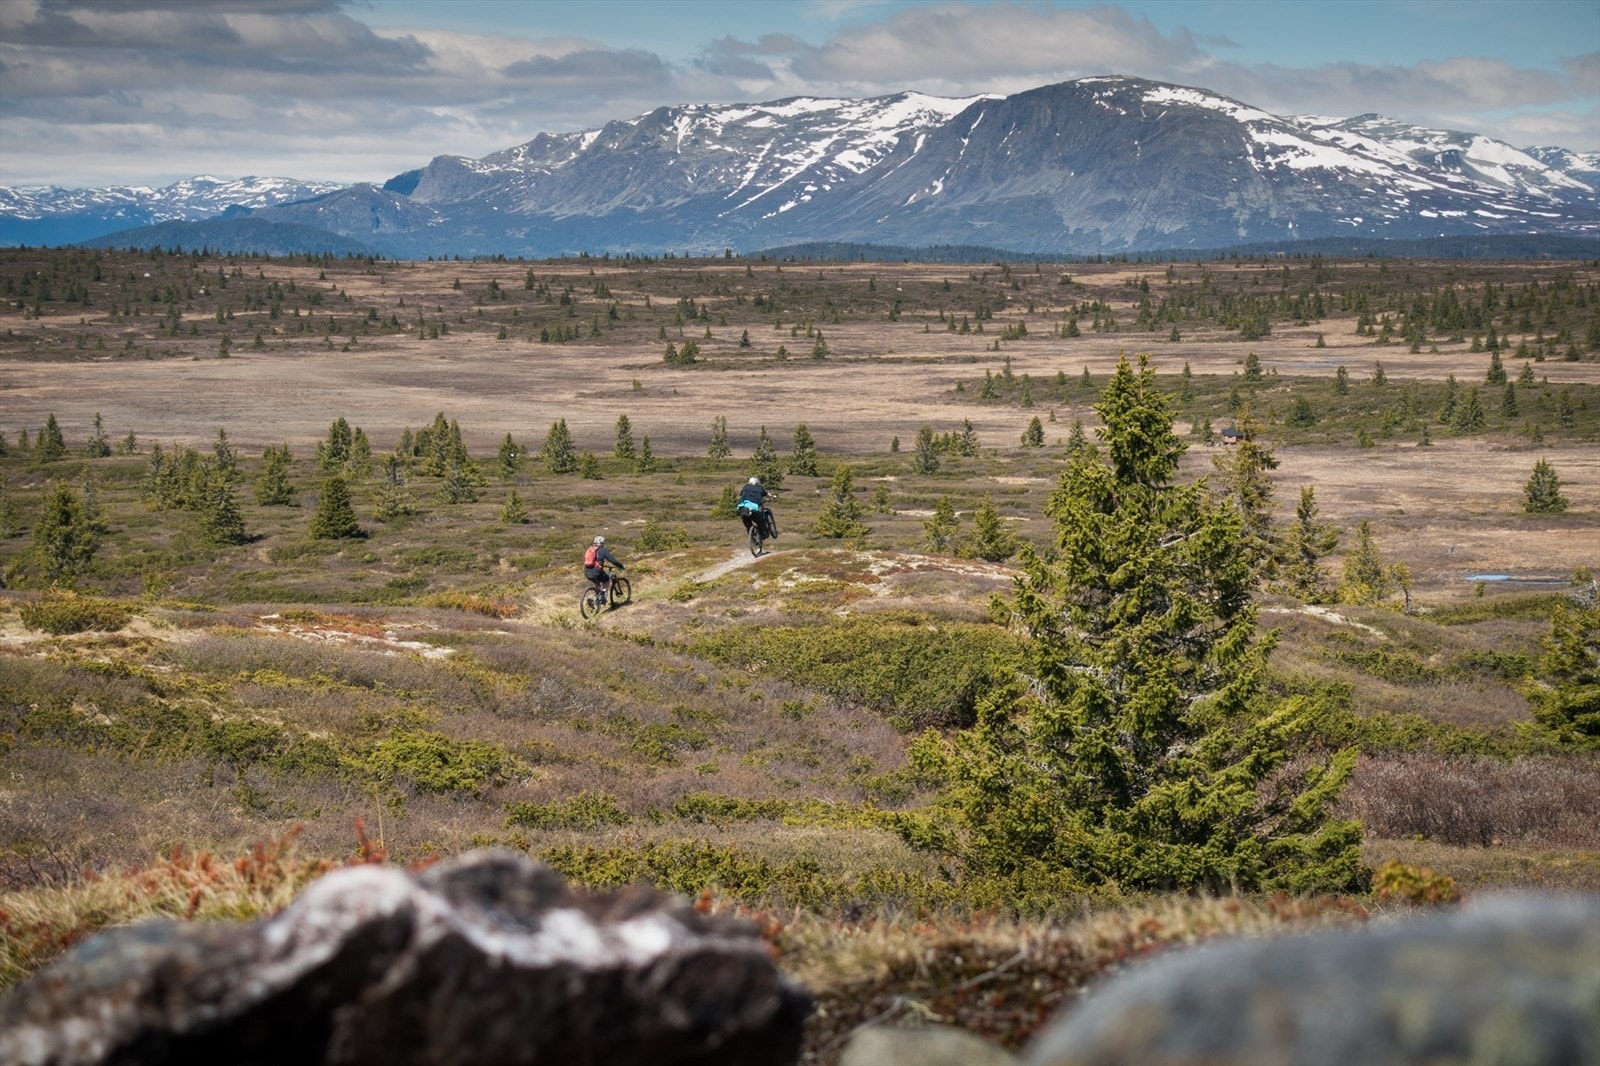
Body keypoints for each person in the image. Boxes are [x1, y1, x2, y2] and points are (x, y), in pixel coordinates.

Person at [583, 535, 625, 600]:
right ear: (602, 543)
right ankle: (602, 596)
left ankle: (598, 597)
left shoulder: (590, 550)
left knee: (597, 582)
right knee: (607, 579)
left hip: (587, 572)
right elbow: (613, 560)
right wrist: (621, 566)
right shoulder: (602, 550)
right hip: (596, 572)